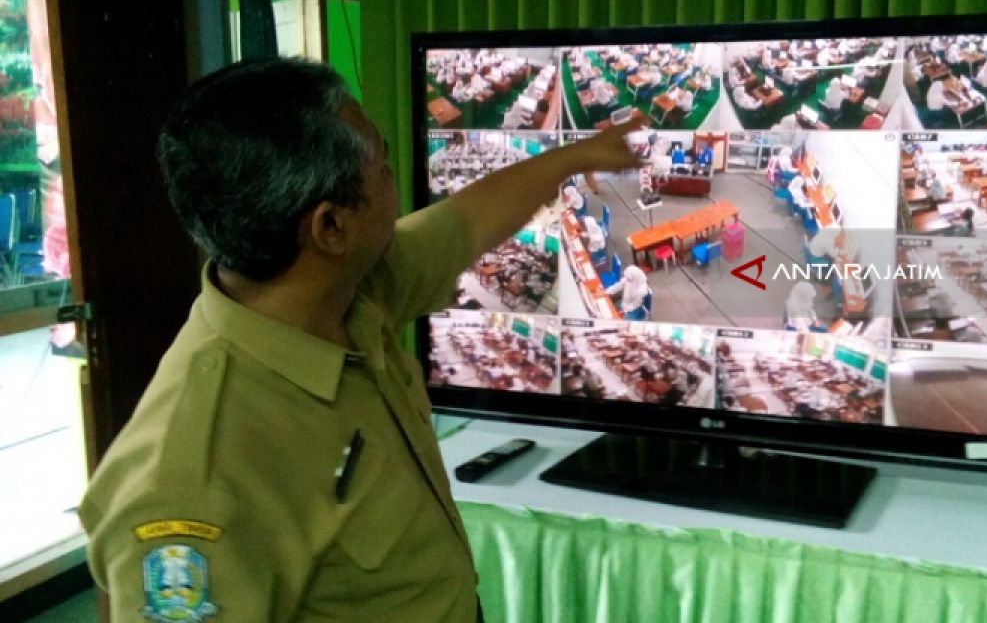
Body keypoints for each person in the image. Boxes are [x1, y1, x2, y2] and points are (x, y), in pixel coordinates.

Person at [79, 58, 643, 622]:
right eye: (384, 170)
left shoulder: (346, 292)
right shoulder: (195, 474)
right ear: (330, 227)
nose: (395, 183)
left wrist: (580, 155)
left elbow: (463, 223)